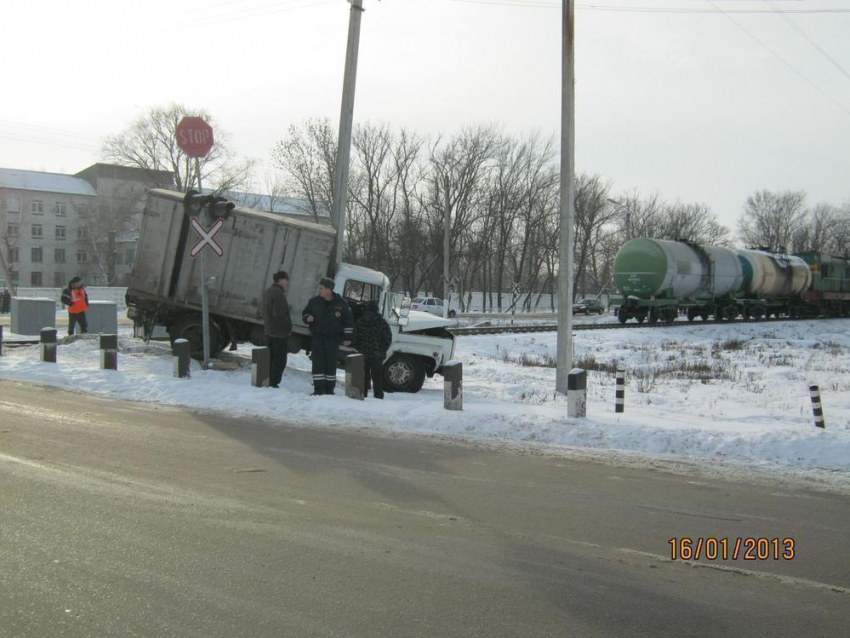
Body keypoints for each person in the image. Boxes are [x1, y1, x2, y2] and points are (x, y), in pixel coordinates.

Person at [302, 277, 353, 395]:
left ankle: (329, 390)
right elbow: (305, 313)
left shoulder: (341, 304)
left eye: (321, 288)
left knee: (330, 364)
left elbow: (348, 322)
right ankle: (318, 389)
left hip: (333, 340)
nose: (319, 290)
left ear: (329, 289)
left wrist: (347, 338)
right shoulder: (314, 302)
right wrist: (307, 318)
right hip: (318, 338)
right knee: (318, 364)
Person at [353, 299, 392, 399]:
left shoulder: (360, 321)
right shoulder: (382, 323)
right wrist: (382, 350)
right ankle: (378, 397)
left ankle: (363, 396)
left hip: (363, 354)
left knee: (364, 377)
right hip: (377, 356)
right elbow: (388, 338)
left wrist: (359, 349)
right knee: (377, 378)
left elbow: (355, 338)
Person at [261, 271, 292, 389]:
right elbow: (279, 315)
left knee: (271, 357)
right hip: (279, 333)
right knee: (279, 360)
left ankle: (268, 379)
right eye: (286, 279)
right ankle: (273, 382)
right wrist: (287, 327)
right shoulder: (278, 294)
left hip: (269, 330)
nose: (287, 282)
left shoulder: (268, 291)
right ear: (280, 280)